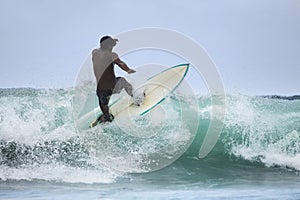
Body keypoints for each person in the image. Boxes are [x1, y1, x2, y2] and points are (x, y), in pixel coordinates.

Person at [92, 35, 136, 125]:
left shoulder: (95, 53)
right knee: (123, 82)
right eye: (112, 45)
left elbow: (103, 47)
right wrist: (128, 70)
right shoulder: (111, 55)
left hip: (101, 91)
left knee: (104, 105)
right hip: (113, 86)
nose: (113, 47)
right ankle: (137, 99)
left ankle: (106, 117)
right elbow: (120, 63)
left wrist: (110, 42)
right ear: (108, 46)